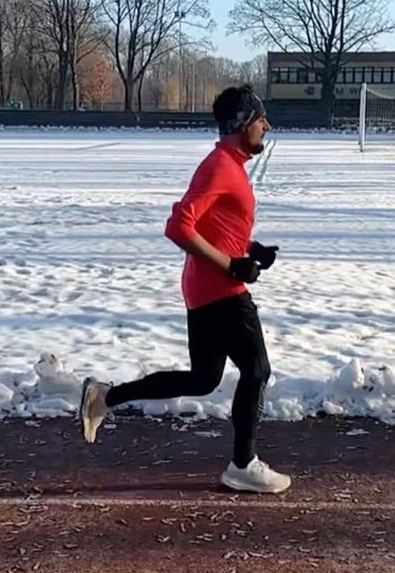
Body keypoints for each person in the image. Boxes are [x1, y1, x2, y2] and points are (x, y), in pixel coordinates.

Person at [79, 84, 291, 494]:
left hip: (204, 289)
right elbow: (178, 227)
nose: (266, 125)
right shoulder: (220, 166)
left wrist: (250, 249)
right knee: (257, 369)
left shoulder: (229, 164)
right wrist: (232, 265)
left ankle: (104, 397)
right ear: (242, 123)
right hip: (221, 291)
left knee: (203, 379)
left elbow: (216, 226)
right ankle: (243, 464)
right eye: (260, 118)